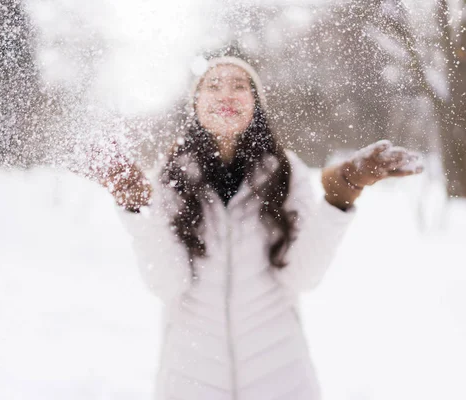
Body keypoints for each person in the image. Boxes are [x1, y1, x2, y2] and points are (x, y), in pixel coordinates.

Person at [88, 56, 423, 400]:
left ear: (256, 105)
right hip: (189, 382)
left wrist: (342, 195)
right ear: (196, 105)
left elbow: (302, 277)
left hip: (282, 381)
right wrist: (135, 206)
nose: (226, 95)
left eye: (239, 86)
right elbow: (167, 284)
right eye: (213, 86)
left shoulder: (286, 172)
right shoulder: (171, 177)